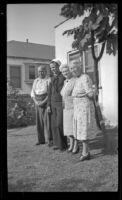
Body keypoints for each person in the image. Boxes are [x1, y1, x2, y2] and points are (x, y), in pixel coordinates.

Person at [69, 60, 99, 161]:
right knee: (80, 130)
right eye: (71, 68)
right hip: (78, 108)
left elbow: (90, 93)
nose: (73, 70)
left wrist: (94, 91)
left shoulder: (85, 77)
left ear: (80, 67)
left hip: (84, 108)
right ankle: (86, 152)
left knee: (84, 129)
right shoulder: (77, 79)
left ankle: (85, 153)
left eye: (74, 67)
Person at [47, 59, 67, 151]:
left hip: (61, 102)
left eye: (54, 67)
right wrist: (48, 105)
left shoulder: (63, 77)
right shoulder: (51, 78)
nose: (53, 69)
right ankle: (57, 144)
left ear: (59, 67)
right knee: (54, 124)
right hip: (52, 102)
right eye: (51, 68)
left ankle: (64, 144)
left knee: (60, 124)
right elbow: (49, 93)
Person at [31, 65, 52, 146]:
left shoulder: (48, 80)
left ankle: (50, 140)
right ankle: (41, 140)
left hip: (46, 102)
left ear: (46, 71)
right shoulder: (35, 81)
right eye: (39, 71)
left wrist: (43, 102)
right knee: (39, 122)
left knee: (48, 122)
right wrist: (36, 101)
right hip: (37, 102)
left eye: (42, 71)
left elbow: (50, 94)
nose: (41, 73)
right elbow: (32, 93)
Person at [60, 63, 77, 153]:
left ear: (70, 71)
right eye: (63, 72)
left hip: (73, 106)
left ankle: (76, 146)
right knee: (68, 128)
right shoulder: (65, 81)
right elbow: (63, 94)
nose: (65, 73)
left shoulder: (74, 80)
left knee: (73, 128)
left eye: (66, 71)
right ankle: (71, 145)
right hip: (66, 107)